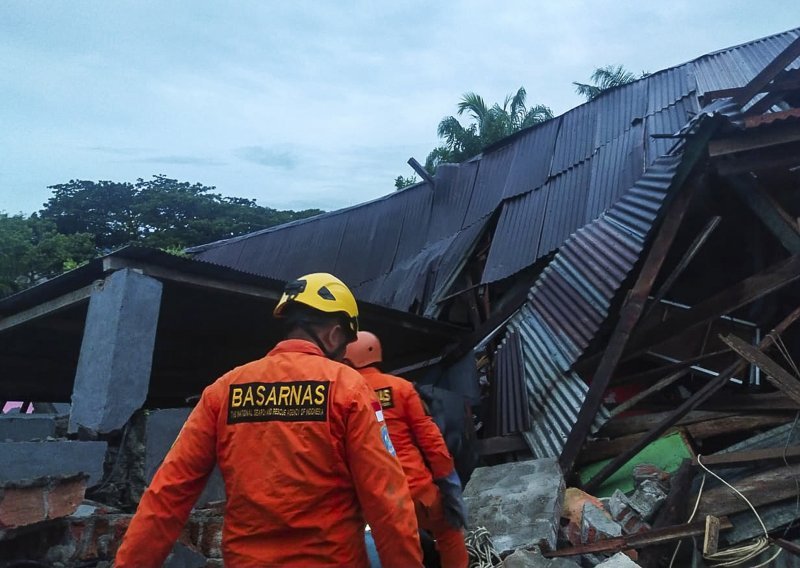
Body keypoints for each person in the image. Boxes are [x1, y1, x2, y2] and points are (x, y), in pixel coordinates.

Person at [115, 273, 423, 567]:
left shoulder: (224, 389)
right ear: (334, 334)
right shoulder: (349, 387)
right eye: (344, 346)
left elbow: (167, 495)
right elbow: (387, 502)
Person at [344, 331, 469, 568]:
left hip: (376, 501)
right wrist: (449, 486)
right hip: (418, 491)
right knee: (449, 533)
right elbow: (432, 441)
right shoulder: (401, 388)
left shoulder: (343, 394)